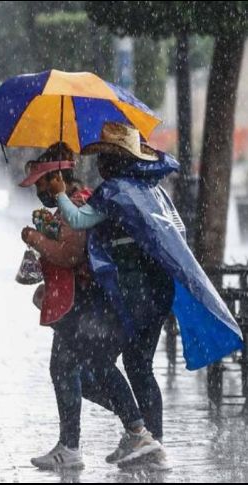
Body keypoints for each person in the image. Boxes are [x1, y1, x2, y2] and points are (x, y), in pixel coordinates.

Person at [49, 122, 243, 466]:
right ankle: (153, 445)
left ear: (115, 161)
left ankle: (139, 432)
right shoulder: (154, 191)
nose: (98, 166)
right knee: (140, 365)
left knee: (96, 360)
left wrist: (60, 193)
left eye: (103, 158)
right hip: (158, 292)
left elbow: (78, 222)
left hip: (133, 292)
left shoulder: (114, 192)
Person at [19, 142, 161, 470]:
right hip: (83, 305)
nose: (39, 189)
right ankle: (102, 437)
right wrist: (47, 230)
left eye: (42, 182)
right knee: (69, 367)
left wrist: (35, 238)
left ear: (56, 177)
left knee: (92, 366)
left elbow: (72, 252)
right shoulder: (73, 203)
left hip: (91, 305)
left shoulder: (85, 200)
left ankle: (138, 431)